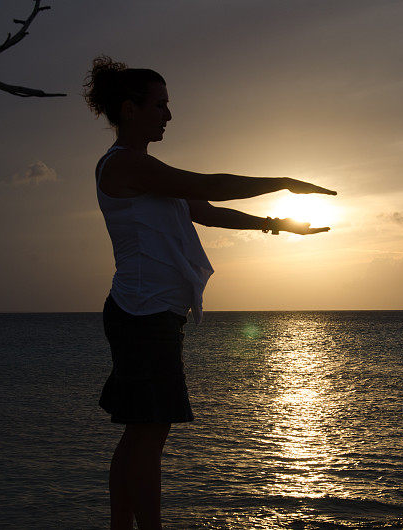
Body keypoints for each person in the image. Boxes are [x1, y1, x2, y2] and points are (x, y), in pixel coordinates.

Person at [82, 55, 336, 530]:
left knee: (140, 433)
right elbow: (206, 185)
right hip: (142, 314)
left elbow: (204, 208)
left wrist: (275, 224)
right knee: (149, 434)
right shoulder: (127, 166)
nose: (169, 115)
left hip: (146, 313)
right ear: (130, 108)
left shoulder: (144, 171)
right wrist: (281, 183)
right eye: (160, 105)